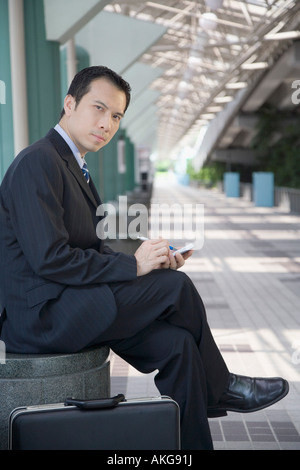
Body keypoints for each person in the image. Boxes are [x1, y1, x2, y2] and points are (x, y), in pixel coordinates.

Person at [0, 66, 289, 450]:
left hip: (71, 302)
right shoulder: (38, 161)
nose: (107, 123)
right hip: (43, 316)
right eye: (98, 108)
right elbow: (50, 259)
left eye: (116, 116)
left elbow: (91, 249)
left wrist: (152, 261)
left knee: (179, 346)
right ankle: (221, 388)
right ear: (69, 104)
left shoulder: (75, 167)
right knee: (175, 288)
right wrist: (133, 266)